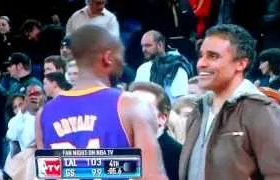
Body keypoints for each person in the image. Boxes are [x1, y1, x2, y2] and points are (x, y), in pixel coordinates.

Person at [36, 25, 167, 179]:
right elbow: (153, 176)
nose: (122, 63)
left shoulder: (43, 115)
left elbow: (48, 174)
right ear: (108, 57)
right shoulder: (131, 105)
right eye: (120, 56)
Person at [179, 24, 280, 180]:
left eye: (213, 56)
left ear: (241, 64)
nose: (201, 63)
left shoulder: (263, 112)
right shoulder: (198, 110)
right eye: (201, 55)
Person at [129, 81, 181, 180]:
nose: (132, 114)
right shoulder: (117, 147)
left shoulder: (178, 155)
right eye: (129, 107)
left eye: (142, 108)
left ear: (162, 118)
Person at [135, 30, 193, 102]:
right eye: (142, 46)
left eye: (148, 45)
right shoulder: (142, 68)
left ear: (160, 45)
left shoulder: (176, 66)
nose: (144, 49)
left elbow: (180, 100)